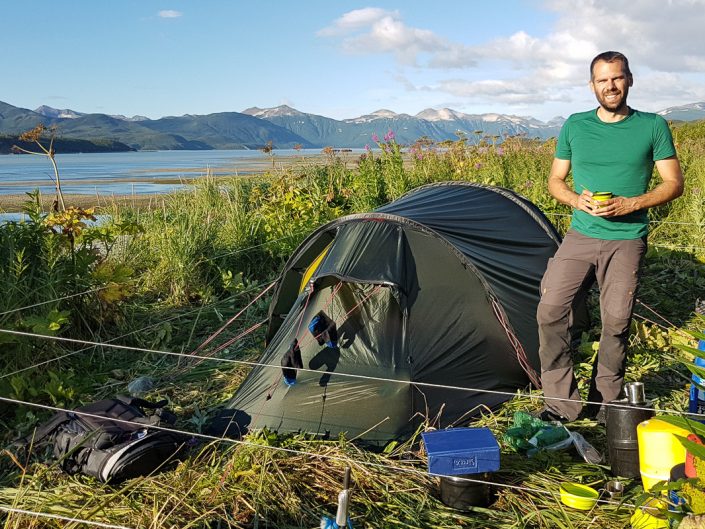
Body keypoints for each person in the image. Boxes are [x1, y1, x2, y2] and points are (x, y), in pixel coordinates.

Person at [536, 51, 684, 422]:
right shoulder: (575, 125)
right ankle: (560, 405)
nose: (610, 86)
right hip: (580, 235)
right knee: (551, 310)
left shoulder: (652, 126)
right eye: (602, 80)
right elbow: (555, 180)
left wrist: (631, 203)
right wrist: (576, 200)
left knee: (616, 321)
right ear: (592, 85)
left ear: (629, 80)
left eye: (617, 78)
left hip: (627, 237)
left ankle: (606, 402)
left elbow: (673, 184)